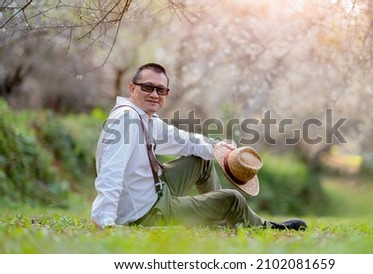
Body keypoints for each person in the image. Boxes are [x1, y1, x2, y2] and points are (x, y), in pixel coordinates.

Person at [91, 62, 307, 231]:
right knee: (233, 199)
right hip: (145, 213)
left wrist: (217, 147)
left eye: (161, 90)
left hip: (153, 189)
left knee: (201, 160)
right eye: (147, 87)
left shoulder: (146, 119)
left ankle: (218, 218)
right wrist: (105, 220)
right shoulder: (126, 120)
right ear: (132, 88)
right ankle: (263, 226)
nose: (154, 94)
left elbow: (185, 140)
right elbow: (111, 171)